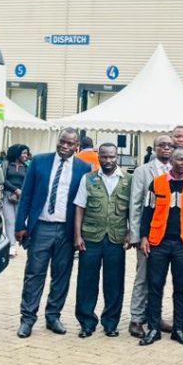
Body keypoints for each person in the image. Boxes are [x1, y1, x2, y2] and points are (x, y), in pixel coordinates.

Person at [15, 128, 89, 338]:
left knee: (61, 275)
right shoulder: (39, 161)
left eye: (70, 144)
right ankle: (27, 319)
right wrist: (20, 225)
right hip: (41, 227)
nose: (64, 146)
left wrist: (79, 233)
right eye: (62, 141)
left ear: (77, 146)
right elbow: (26, 195)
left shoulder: (84, 168)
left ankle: (53, 316)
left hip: (66, 230)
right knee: (34, 274)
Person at [139, 148, 183, 346]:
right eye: (180, 160)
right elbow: (147, 212)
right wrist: (144, 237)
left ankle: (178, 329)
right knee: (155, 286)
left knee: (181, 287)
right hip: (158, 242)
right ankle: (154, 328)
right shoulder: (157, 183)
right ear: (172, 162)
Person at [73, 143, 131, 338]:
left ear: (117, 157)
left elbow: (133, 209)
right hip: (91, 237)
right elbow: (80, 207)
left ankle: (111, 323)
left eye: (111, 157)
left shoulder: (128, 180)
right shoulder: (88, 178)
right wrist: (77, 235)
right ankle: (87, 323)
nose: (108, 160)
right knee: (87, 282)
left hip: (116, 238)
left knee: (114, 283)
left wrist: (131, 232)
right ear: (98, 157)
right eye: (104, 157)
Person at [127, 134, 174, 338]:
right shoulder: (143, 171)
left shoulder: (178, 170)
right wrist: (137, 236)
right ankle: (136, 319)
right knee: (143, 276)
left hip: (170, 236)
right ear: (154, 148)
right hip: (148, 234)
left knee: (159, 279)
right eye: (162, 145)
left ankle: (155, 315)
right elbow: (135, 204)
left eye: (170, 145)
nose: (166, 148)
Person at [3, 144, 30, 257]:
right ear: (17, 153)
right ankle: (12, 246)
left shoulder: (27, 167)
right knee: (10, 220)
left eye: (27, 153)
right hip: (7, 195)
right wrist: (15, 190)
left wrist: (21, 191)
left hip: (21, 197)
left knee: (19, 221)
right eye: (23, 153)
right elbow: (3, 179)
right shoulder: (6, 165)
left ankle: (22, 241)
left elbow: (28, 181)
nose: (26, 155)